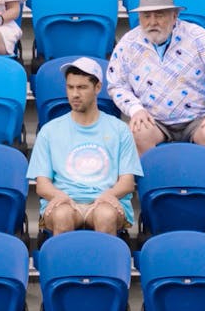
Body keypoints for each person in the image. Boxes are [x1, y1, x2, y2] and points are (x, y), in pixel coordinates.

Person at [107, 0, 205, 155]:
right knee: (139, 132)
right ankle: (151, 182)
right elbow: (116, 84)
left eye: (159, 15)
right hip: (153, 120)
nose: (152, 22)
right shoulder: (128, 43)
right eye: (146, 16)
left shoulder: (198, 37)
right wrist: (135, 109)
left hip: (197, 118)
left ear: (175, 15)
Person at [27, 57, 143, 235]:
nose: (74, 94)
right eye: (70, 87)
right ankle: (62, 264)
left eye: (82, 87)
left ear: (97, 88)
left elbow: (127, 183)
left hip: (106, 201)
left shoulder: (119, 129)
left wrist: (108, 195)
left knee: (105, 214)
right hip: (64, 201)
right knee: (62, 214)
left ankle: (105, 264)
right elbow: (42, 185)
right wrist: (59, 196)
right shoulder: (49, 130)